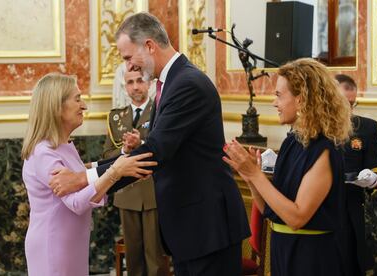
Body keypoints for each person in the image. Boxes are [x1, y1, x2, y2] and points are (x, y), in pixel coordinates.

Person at [49, 12, 250, 275]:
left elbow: (153, 152)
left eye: (128, 57)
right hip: (192, 228)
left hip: (206, 227)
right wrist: (95, 168)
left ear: (149, 46)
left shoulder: (187, 84)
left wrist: (82, 179)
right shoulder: (172, 83)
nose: (129, 67)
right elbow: (146, 151)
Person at [223, 58, 353, 276]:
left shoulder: (324, 149)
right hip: (284, 248)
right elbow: (271, 210)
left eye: (279, 95)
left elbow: (296, 217)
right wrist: (250, 177)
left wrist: (256, 175)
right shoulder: (292, 142)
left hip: (312, 257)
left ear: (301, 100)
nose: (275, 103)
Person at [21, 73, 156, 276]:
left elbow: (85, 173)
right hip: (53, 246)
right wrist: (115, 172)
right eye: (77, 99)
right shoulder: (43, 152)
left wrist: (123, 157)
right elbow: (76, 202)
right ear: (57, 107)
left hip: (71, 243)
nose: (84, 105)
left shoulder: (63, 145)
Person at [103, 70, 167, 276]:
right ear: (125, 87)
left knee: (155, 256)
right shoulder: (116, 117)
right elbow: (107, 155)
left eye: (140, 81)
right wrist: (125, 150)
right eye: (130, 82)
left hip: (153, 192)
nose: (135, 86)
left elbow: (166, 147)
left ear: (149, 84)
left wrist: (141, 143)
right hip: (127, 193)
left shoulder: (160, 111)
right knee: (133, 257)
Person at [335, 74, 377, 275]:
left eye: (351, 103)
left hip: (351, 208)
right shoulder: (315, 126)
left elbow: (376, 167)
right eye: (342, 102)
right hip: (318, 208)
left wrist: (372, 179)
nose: (347, 108)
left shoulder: (367, 127)